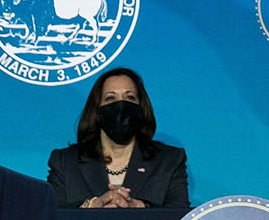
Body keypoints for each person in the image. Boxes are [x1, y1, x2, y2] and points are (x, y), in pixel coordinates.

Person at [47, 66, 191, 209]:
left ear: (141, 108)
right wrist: (91, 206)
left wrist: (140, 207)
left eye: (130, 97)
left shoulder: (169, 160)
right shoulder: (64, 162)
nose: (121, 106)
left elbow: (180, 219)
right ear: (97, 110)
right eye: (110, 98)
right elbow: (50, 217)